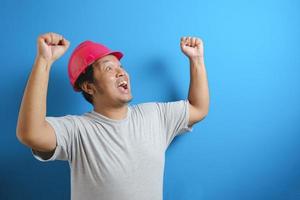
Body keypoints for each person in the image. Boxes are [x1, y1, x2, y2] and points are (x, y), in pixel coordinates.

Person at [16, 32, 210, 200]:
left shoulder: (155, 115)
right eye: (109, 68)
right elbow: (30, 133)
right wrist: (44, 61)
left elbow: (198, 108)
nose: (121, 73)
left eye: (121, 67)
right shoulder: (77, 131)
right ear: (88, 86)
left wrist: (197, 60)